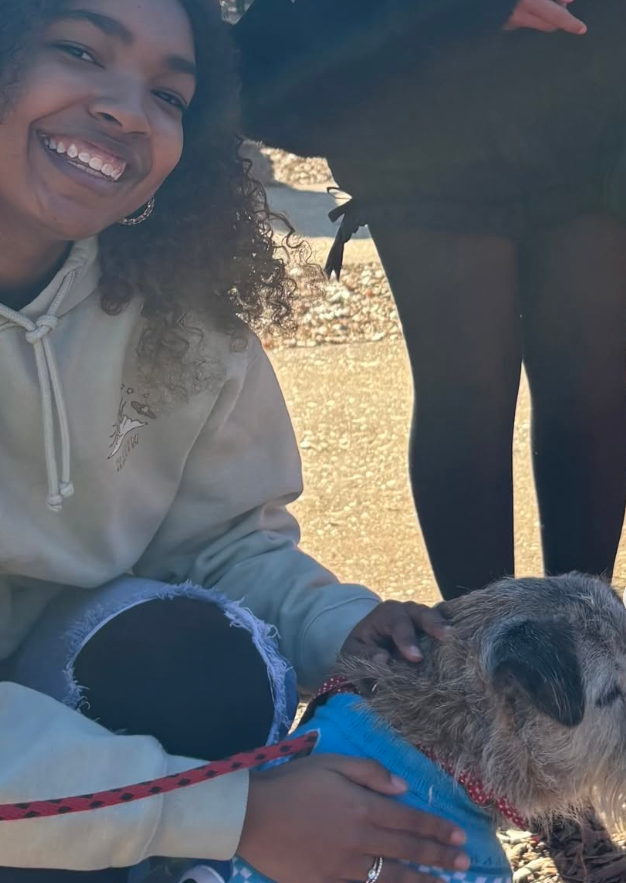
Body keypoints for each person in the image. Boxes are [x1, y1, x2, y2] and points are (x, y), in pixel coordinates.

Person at [0, 1, 471, 883]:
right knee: (16, 866)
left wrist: (340, 626)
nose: (128, 109)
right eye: (80, 50)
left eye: (170, 93)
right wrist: (235, 813)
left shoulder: (170, 299)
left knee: (203, 666)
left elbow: (218, 544)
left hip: (56, 659)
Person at [234, 0, 626, 600]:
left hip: (592, 97)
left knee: (593, 386)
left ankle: (588, 636)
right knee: (468, 391)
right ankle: (480, 652)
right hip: (423, 114)